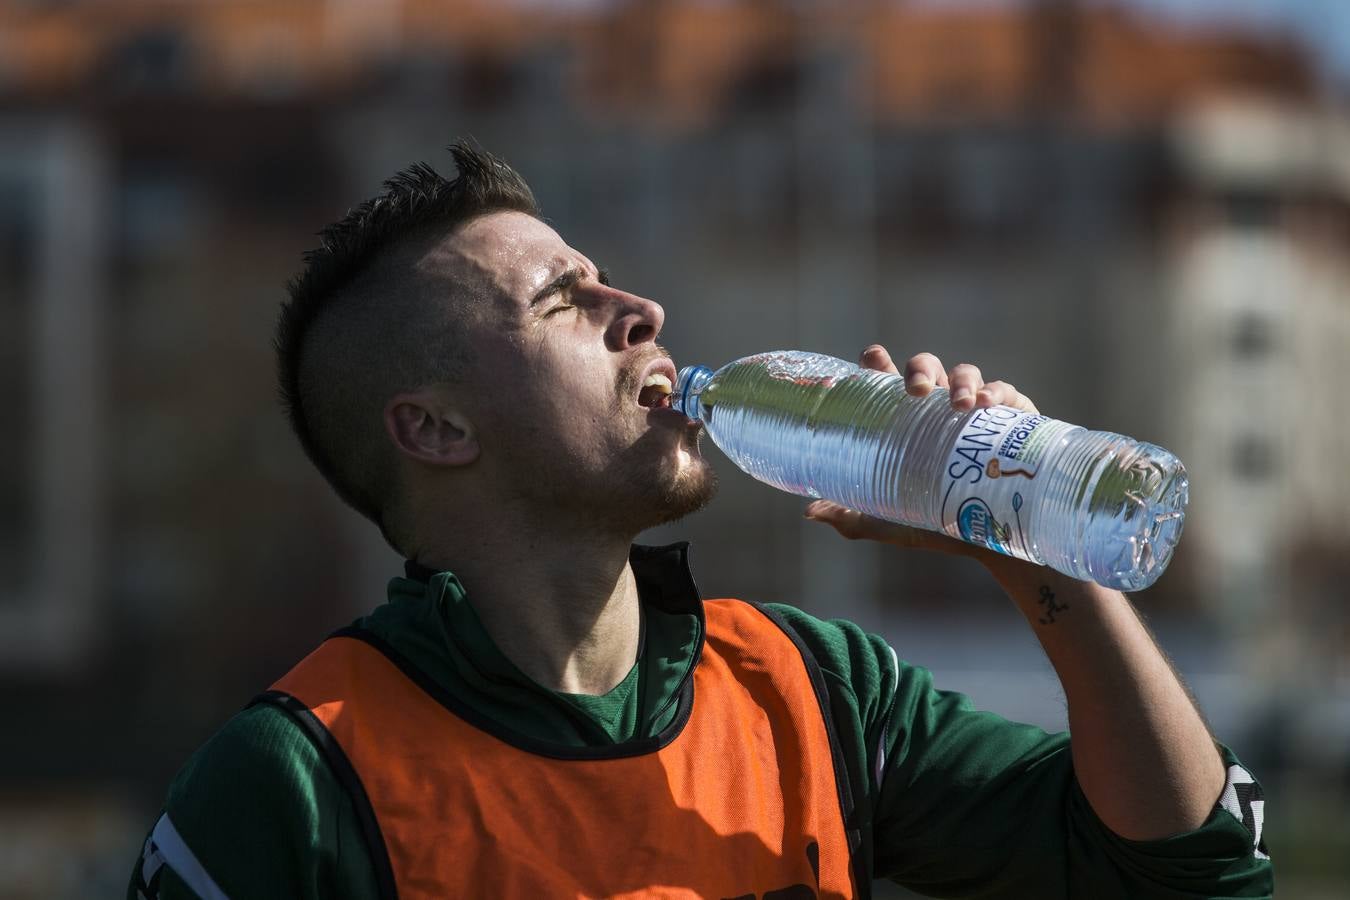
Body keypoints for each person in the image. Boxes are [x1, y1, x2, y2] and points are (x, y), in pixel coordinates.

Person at [128, 142, 1272, 899]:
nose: (643, 312)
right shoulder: (297, 779)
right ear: (433, 431)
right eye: (563, 303)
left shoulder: (814, 690)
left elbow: (1189, 871)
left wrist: (1034, 550)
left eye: (607, 279)